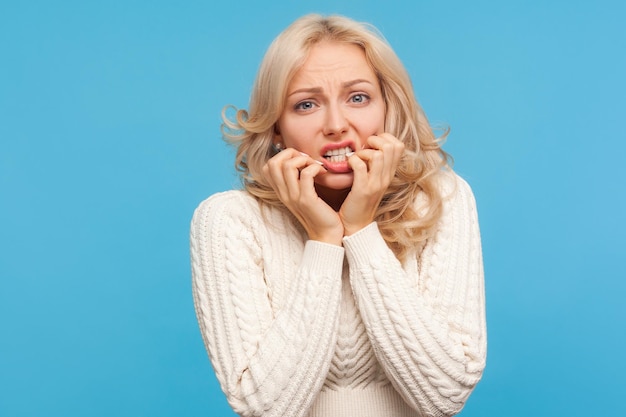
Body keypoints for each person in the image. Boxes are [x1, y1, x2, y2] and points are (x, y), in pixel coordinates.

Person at [190, 14, 486, 417]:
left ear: (387, 107)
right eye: (306, 104)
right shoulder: (230, 220)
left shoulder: (439, 200)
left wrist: (362, 230)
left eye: (358, 97)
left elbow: (445, 395)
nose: (336, 125)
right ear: (276, 127)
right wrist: (324, 239)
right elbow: (266, 407)